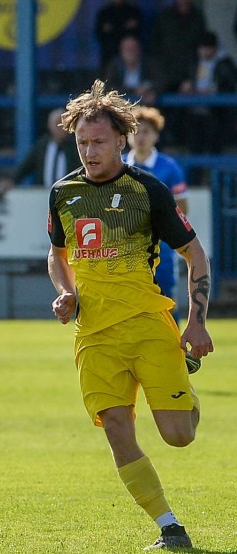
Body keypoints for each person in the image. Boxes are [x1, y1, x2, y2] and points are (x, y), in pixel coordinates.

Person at [47, 80, 213, 551]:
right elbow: (57, 255)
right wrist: (66, 293)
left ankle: (186, 386)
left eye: (98, 142)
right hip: (94, 335)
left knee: (178, 436)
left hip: (147, 325)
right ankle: (169, 526)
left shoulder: (148, 191)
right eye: (81, 142)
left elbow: (195, 255)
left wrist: (196, 321)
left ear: (121, 139)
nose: (89, 151)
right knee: (117, 427)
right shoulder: (64, 194)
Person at [125, 106, 189, 319]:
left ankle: (174, 350)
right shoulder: (119, 166)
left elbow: (182, 208)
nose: (140, 137)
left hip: (160, 249)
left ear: (156, 135)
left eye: (146, 132)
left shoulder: (169, 167)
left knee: (165, 302)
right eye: (135, 131)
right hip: (125, 247)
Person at [178, 30, 237, 158]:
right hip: (194, 114)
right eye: (202, 48)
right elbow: (182, 82)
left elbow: (229, 85)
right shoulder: (193, 62)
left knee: (214, 151)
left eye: (208, 48)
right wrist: (186, 87)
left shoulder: (225, 63)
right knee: (194, 151)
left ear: (215, 47)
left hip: (215, 115)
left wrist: (214, 91)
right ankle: (196, 178)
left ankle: (214, 178)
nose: (205, 51)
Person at [2, 108, 80, 191]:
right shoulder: (42, 146)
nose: (61, 127)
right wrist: (12, 180)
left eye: (64, 124)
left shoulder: (76, 147)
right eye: (57, 123)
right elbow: (26, 165)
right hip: (43, 194)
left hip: (69, 194)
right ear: (49, 125)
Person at [150, 0, 207, 95]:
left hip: (190, 71)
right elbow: (155, 45)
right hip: (166, 72)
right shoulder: (165, 17)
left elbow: (201, 46)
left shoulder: (197, 17)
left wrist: (192, 77)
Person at [102, 34, 158, 105]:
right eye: (127, 49)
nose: (131, 52)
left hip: (146, 106)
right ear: (121, 51)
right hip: (120, 107)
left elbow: (161, 81)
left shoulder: (149, 64)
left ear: (139, 50)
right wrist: (134, 90)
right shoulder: (114, 66)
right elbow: (108, 86)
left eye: (133, 49)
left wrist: (149, 90)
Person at [94, 0, 143, 74]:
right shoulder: (104, 13)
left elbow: (137, 32)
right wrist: (123, 27)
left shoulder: (133, 11)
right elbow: (99, 34)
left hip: (130, 55)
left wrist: (112, 29)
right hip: (110, 52)